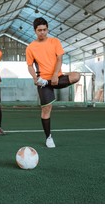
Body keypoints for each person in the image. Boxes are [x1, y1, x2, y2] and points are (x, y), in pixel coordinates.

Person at [26, 17, 80, 148]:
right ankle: (48, 137)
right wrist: (35, 78)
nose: (42, 32)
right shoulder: (31, 47)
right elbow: (29, 66)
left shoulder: (55, 41)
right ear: (35, 30)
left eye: (44, 30)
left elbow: (59, 59)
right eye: (39, 30)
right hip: (41, 78)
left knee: (77, 75)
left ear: (47, 29)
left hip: (56, 77)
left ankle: (46, 83)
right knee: (46, 109)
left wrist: (55, 74)